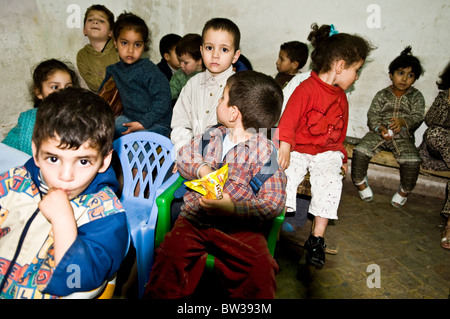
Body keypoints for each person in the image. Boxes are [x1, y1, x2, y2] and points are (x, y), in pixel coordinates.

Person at [144, 70, 286, 299]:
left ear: (233, 113)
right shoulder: (212, 135)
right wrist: (203, 169)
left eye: (222, 97)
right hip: (195, 219)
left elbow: (273, 201)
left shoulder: (265, 153)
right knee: (168, 256)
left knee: (261, 269)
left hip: (240, 229)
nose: (218, 101)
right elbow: (185, 155)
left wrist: (235, 208)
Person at [0, 87, 129, 299]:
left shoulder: (107, 215)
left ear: (104, 161)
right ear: (35, 152)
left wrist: (63, 221)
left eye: (84, 161)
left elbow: (78, 280)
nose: (65, 175)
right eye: (53, 158)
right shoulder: (14, 181)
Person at [277, 23, 374, 269]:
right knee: (285, 174)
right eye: (357, 70)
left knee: (331, 180)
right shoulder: (305, 89)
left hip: (325, 151)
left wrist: (339, 153)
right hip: (298, 148)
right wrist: (285, 146)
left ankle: (316, 239)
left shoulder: (341, 96)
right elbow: (288, 120)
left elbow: (339, 131)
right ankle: (274, 227)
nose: (357, 76)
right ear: (340, 66)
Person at [351, 46, 425, 208]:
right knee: (360, 151)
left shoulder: (416, 96)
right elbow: (373, 114)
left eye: (410, 75)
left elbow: (418, 116)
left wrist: (404, 122)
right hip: (378, 133)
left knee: (413, 161)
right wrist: (379, 128)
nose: (404, 79)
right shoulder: (382, 94)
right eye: (400, 73)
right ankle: (360, 182)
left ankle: (404, 191)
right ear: (391, 75)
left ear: (415, 79)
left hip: (404, 136)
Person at [170, 17, 241, 153]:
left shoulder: (240, 88)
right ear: (201, 51)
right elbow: (180, 123)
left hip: (227, 159)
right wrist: (185, 152)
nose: (215, 55)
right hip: (192, 156)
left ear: (235, 56)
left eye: (224, 50)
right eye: (209, 48)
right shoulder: (192, 84)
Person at [99, 12, 172, 139]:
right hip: (131, 120)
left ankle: (144, 154)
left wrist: (143, 123)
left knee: (138, 144)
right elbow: (102, 98)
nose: (131, 50)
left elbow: (163, 100)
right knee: (111, 125)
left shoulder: (149, 69)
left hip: (157, 124)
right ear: (115, 43)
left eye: (137, 44)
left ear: (144, 46)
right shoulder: (113, 70)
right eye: (124, 43)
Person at [2, 59, 79, 156]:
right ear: (38, 92)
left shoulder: (79, 118)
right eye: (55, 87)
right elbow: (6, 151)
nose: (63, 92)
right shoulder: (27, 119)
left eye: (68, 87)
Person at [417, 61, 450, 249]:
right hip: (436, 153)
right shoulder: (444, 96)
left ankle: (449, 226)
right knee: (435, 133)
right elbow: (431, 122)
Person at [76, 4, 119, 92]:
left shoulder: (118, 48)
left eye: (101, 20)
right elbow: (93, 84)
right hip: (100, 100)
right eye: (90, 19)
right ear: (84, 30)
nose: (95, 22)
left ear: (111, 32)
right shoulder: (82, 55)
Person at [169, 33, 203, 102]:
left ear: (199, 61)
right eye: (180, 61)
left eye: (185, 63)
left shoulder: (209, 74)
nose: (181, 65)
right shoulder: (179, 75)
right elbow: (169, 95)